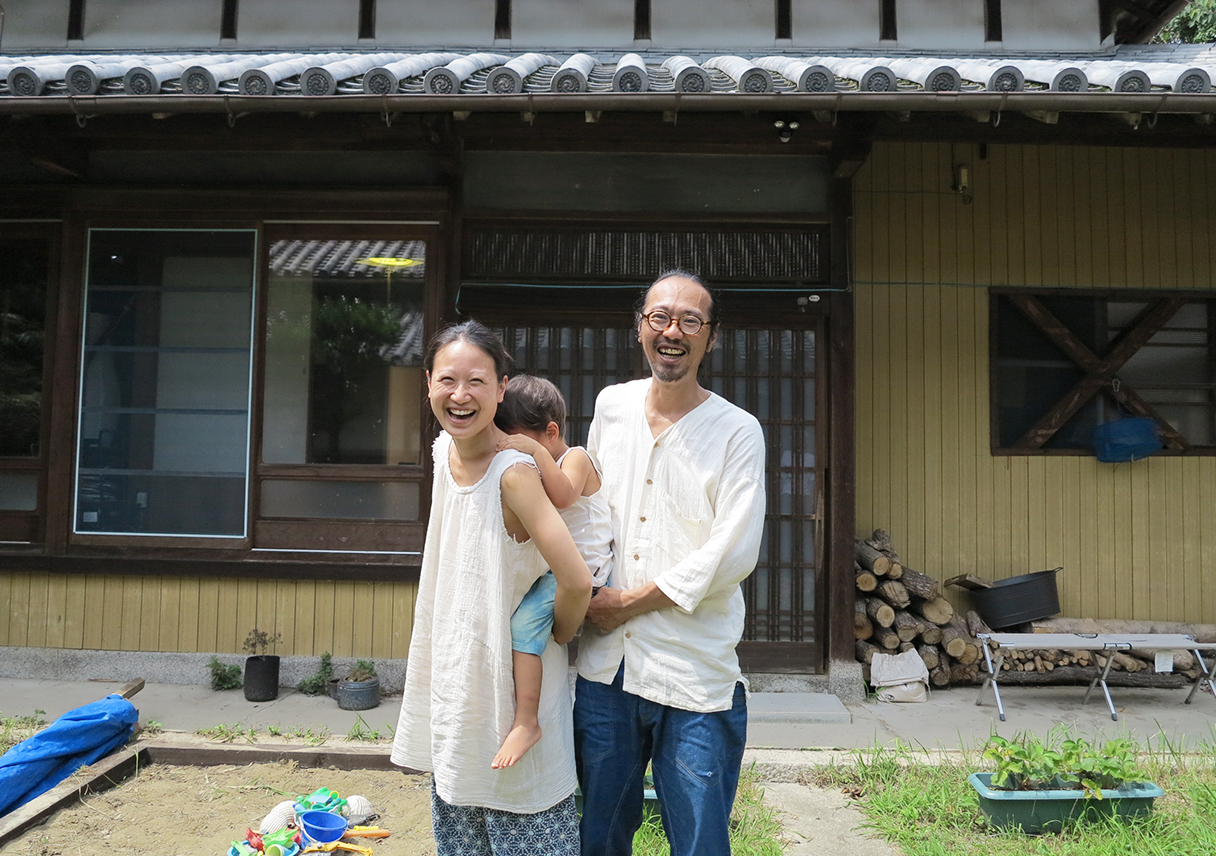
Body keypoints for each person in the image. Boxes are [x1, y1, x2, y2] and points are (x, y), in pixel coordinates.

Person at [573, 270, 767, 856]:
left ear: (712, 337)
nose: (672, 331)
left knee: (701, 841)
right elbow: (591, 510)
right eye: (659, 317)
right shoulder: (612, 407)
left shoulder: (737, 431)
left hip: (694, 671)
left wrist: (627, 602)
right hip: (607, 670)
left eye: (690, 320)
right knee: (599, 836)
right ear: (640, 328)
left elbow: (732, 552)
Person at [391, 321, 592, 856]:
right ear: (428, 381)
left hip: (511, 695)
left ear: (502, 388)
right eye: (447, 380)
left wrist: (561, 633)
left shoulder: (515, 473)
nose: (460, 395)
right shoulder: (441, 452)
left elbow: (576, 577)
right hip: (458, 691)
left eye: (477, 381)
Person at [491, 374, 615, 769]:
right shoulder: (538, 461)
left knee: (524, 626)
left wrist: (534, 453)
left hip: (586, 571)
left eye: (522, 445)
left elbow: (562, 494)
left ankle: (527, 722)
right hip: (561, 570)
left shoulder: (576, 456)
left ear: (551, 432)